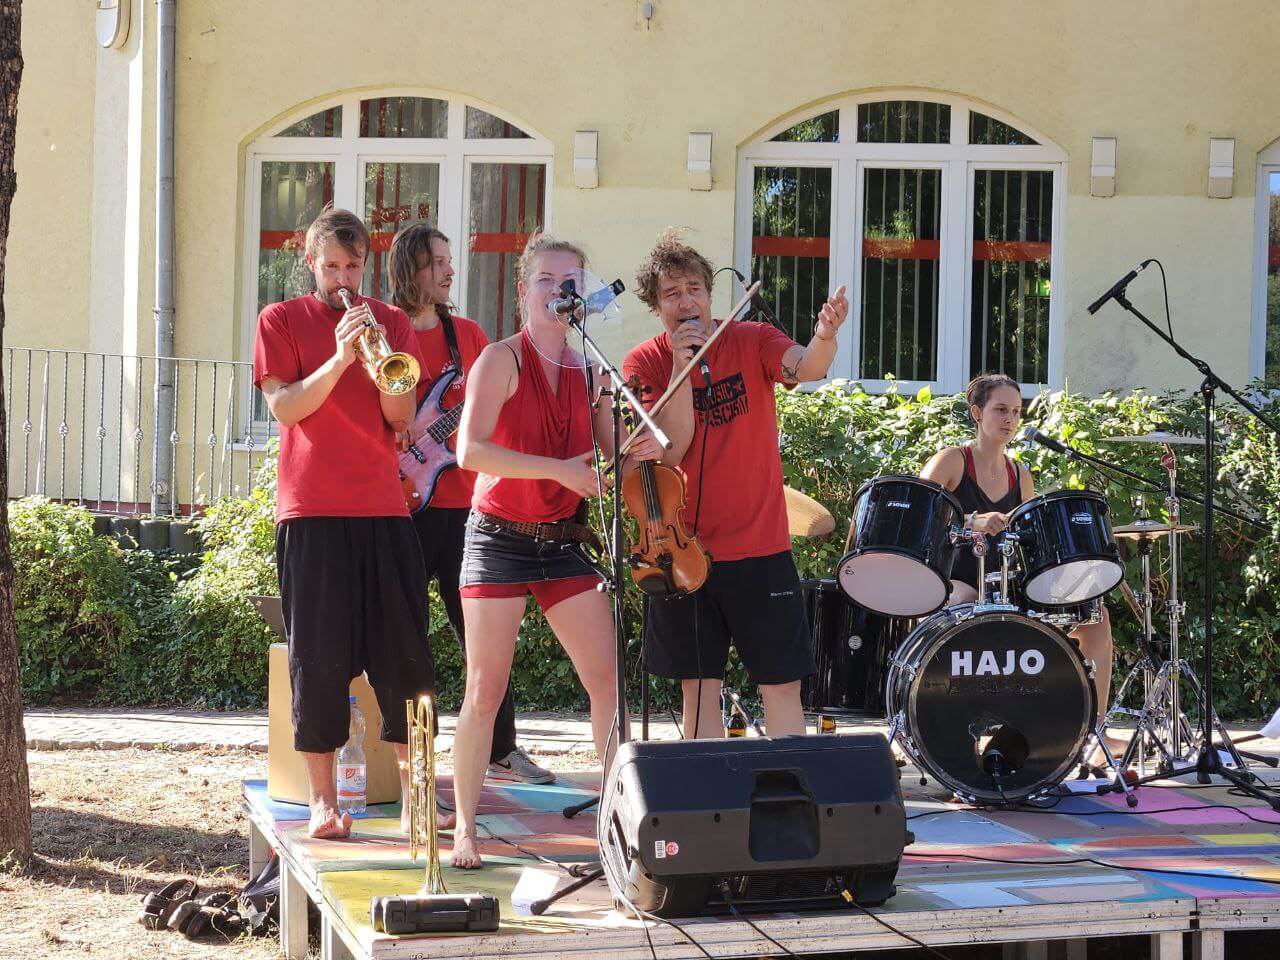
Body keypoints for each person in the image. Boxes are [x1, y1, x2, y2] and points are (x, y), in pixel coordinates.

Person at [448, 232, 662, 868]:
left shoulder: (588, 367)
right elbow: (469, 451)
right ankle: (464, 828)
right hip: (498, 537)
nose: (558, 292)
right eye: (545, 280)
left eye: (569, 282)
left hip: (562, 540)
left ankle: (614, 818)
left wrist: (632, 443)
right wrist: (560, 470)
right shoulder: (500, 359)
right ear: (523, 292)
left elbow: (610, 451)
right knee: (485, 689)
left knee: (608, 683)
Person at [622, 230, 849, 739]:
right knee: (697, 687)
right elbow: (673, 448)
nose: (688, 301)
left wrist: (826, 334)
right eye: (673, 293)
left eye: (696, 289)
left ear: (710, 292)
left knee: (782, 683)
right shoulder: (644, 363)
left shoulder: (750, 339)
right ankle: (710, 805)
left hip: (760, 545)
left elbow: (807, 366)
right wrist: (683, 364)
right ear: (656, 306)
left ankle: (787, 789)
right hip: (683, 550)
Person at [253, 207, 435, 840]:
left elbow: (401, 414)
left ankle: (417, 802)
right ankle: (324, 804)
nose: (342, 278)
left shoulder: (389, 324)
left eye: (353, 266)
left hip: (383, 508)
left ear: (366, 263)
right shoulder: (280, 320)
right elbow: (287, 406)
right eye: (331, 265)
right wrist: (336, 359)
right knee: (318, 660)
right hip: (311, 511)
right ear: (311, 260)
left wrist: (372, 360)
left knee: (406, 656)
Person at [387, 223, 555, 787]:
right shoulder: (385, 332)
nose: (450, 271)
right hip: (401, 505)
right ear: (411, 268)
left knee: (482, 638)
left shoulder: (470, 335)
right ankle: (411, 759)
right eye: (438, 262)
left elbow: (499, 402)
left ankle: (501, 750)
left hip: (468, 507)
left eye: (449, 261)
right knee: (405, 635)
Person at [920, 372, 1118, 761]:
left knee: (1096, 617)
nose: (1010, 419)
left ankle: (1092, 731)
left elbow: (1028, 538)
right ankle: (945, 725)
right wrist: (969, 521)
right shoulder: (951, 461)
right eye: (1000, 410)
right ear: (977, 413)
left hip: (1007, 588)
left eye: (1016, 411)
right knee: (968, 596)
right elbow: (917, 522)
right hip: (954, 582)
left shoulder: (1019, 473)